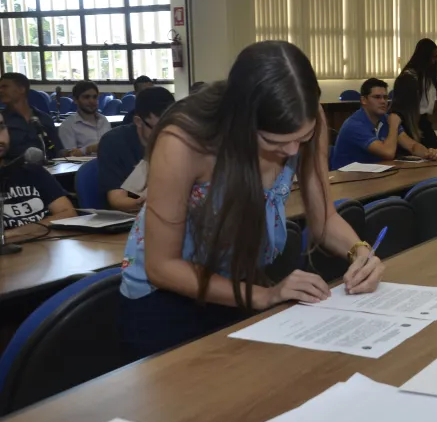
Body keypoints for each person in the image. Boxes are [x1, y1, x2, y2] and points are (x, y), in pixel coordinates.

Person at [119, 41, 385, 359]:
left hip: (241, 283)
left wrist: (360, 252)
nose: (293, 151)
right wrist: (264, 296)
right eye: (275, 141)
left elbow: (324, 218)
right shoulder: (184, 142)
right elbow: (162, 266)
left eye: (303, 138)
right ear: (241, 120)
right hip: (166, 301)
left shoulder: (304, 117)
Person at [330, 78, 437, 169]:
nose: (383, 101)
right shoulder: (354, 125)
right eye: (377, 97)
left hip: (372, 176)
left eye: (385, 97)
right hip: (348, 181)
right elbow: (388, 153)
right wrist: (394, 126)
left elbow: (412, 146)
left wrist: (427, 153)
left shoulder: (386, 119)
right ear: (364, 100)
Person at [0, 113, 77, 240]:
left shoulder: (29, 168)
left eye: (1, 127)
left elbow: (68, 213)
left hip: (47, 245)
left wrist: (12, 233)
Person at [98, 87, 175, 212]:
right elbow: (117, 200)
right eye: (158, 128)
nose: (165, 134)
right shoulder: (114, 142)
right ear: (138, 121)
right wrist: (150, 203)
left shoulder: (175, 140)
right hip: (130, 214)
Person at [0, 73, 62, 160]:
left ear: (22, 89)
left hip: (48, 165)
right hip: (12, 167)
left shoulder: (44, 118)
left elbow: (57, 149)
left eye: (5, 87)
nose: (1, 90)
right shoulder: (2, 120)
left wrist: (70, 153)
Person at [58, 81, 112, 156]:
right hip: (84, 163)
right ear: (75, 100)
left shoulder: (104, 120)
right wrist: (89, 149)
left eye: (95, 97)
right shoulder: (68, 125)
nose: (92, 101)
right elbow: (70, 156)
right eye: (86, 97)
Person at [390, 71, 424, 156]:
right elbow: (410, 147)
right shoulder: (395, 118)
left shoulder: (398, 114)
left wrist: (428, 152)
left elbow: (413, 146)